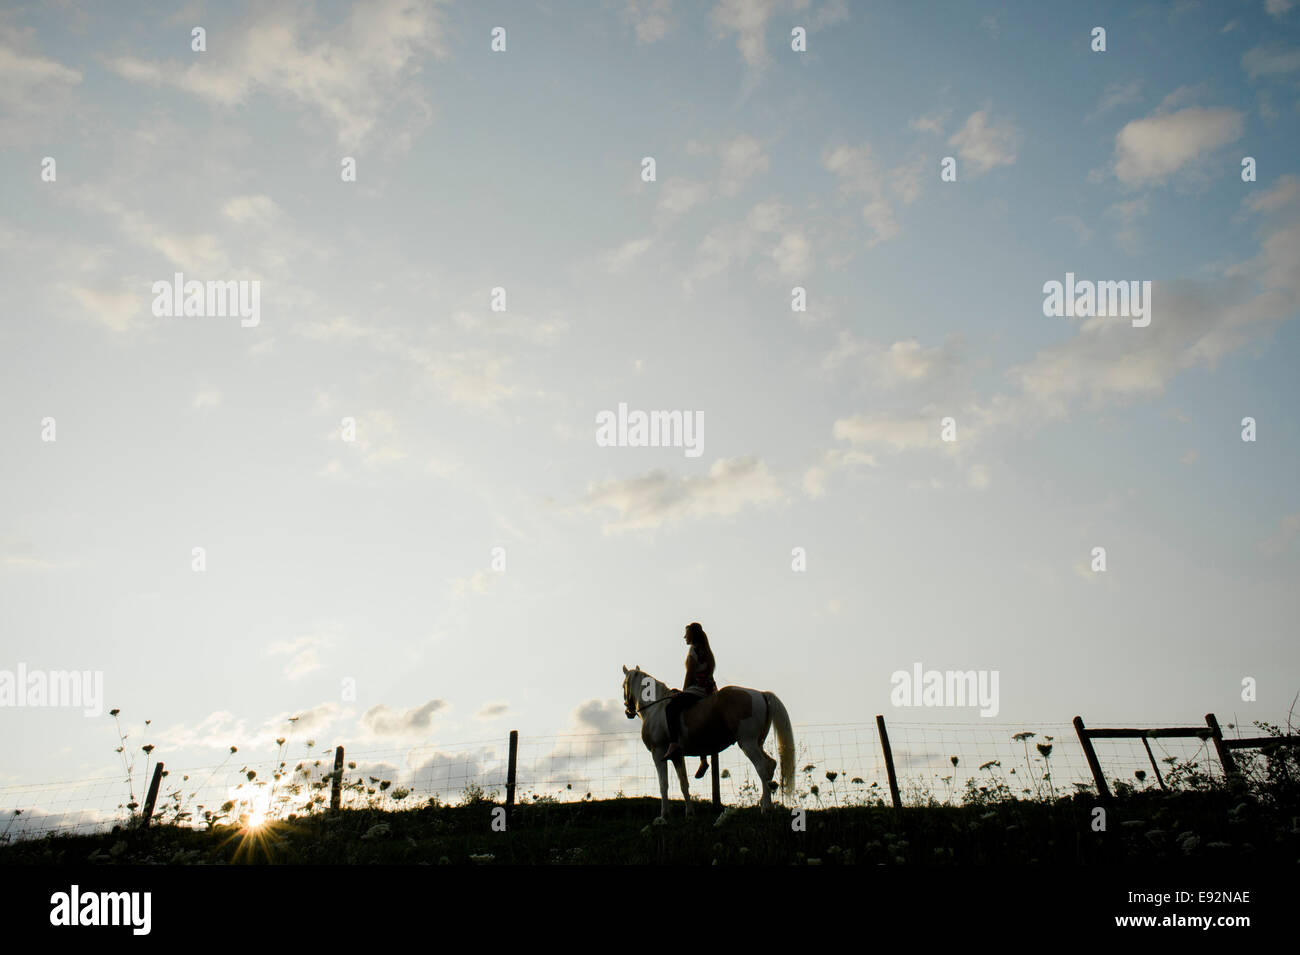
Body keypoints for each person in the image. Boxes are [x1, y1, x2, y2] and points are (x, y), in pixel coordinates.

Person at [663, 622, 718, 778]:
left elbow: (690, 674)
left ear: (692, 635)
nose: (684, 636)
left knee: (671, 708)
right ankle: (703, 760)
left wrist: (682, 692)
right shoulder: (707, 651)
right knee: (699, 723)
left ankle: (673, 743)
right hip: (710, 691)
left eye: (686, 633)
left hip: (697, 691)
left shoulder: (693, 650)